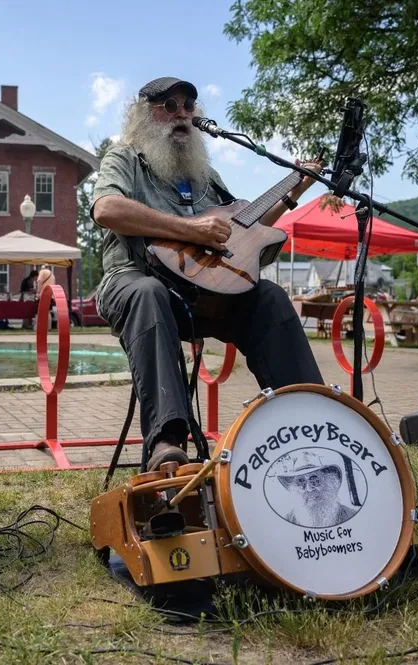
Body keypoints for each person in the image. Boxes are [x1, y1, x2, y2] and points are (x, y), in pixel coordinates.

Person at [90, 77, 324, 470]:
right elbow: (106, 210)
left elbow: (244, 228)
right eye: (169, 105)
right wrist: (189, 229)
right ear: (143, 115)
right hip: (132, 279)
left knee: (268, 297)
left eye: (188, 106)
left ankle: (313, 420)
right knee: (149, 292)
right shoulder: (125, 158)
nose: (182, 113)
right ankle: (167, 442)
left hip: (202, 292)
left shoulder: (206, 177)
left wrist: (294, 188)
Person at [275, 453, 360, 528]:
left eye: (314, 479)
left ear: (328, 483)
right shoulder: (288, 521)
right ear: (294, 488)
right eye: (301, 481)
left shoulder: (351, 516)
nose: (309, 489)